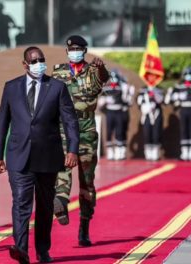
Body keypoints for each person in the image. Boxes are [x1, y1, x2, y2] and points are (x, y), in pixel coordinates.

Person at [0, 46, 79, 264]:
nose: (39, 64)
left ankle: (42, 250)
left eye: (41, 60)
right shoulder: (11, 88)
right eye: (34, 61)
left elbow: (70, 121)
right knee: (21, 203)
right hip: (18, 156)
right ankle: (21, 249)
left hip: (47, 157)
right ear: (25, 64)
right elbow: (2, 122)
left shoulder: (57, 87)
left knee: (44, 206)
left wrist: (72, 149)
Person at [52, 35, 109, 246]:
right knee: (62, 170)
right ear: (67, 51)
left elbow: (104, 79)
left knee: (87, 180)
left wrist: (101, 68)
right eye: (71, 49)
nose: (74, 51)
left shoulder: (93, 70)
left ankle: (84, 226)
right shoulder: (58, 72)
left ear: (84, 51)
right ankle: (61, 203)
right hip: (64, 129)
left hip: (86, 130)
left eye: (78, 48)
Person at [165, 67, 191, 161]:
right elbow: (171, 100)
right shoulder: (179, 87)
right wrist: (177, 96)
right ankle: (184, 151)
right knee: (183, 129)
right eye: (186, 75)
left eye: (190, 75)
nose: (188, 77)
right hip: (183, 109)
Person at [98, 70, 132, 160]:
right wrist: (104, 101)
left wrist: (127, 92)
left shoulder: (121, 87)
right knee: (109, 131)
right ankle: (110, 151)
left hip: (119, 111)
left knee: (119, 131)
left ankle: (119, 151)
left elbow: (126, 101)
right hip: (109, 111)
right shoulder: (106, 88)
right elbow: (100, 102)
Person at [137, 85, 164, 161]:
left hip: (156, 114)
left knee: (156, 133)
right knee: (147, 133)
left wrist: (154, 94)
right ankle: (148, 153)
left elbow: (161, 100)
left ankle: (155, 153)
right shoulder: (143, 90)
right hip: (147, 115)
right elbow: (139, 102)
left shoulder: (159, 89)